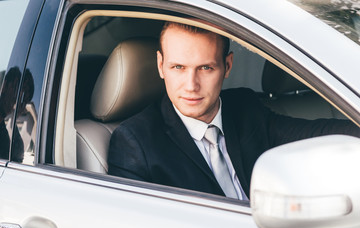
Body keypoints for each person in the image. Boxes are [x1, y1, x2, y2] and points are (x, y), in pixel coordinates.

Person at [107, 21, 360, 200]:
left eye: (206, 68)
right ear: (161, 66)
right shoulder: (135, 141)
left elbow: (316, 134)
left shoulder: (244, 107)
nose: (191, 86)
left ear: (227, 66)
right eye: (178, 68)